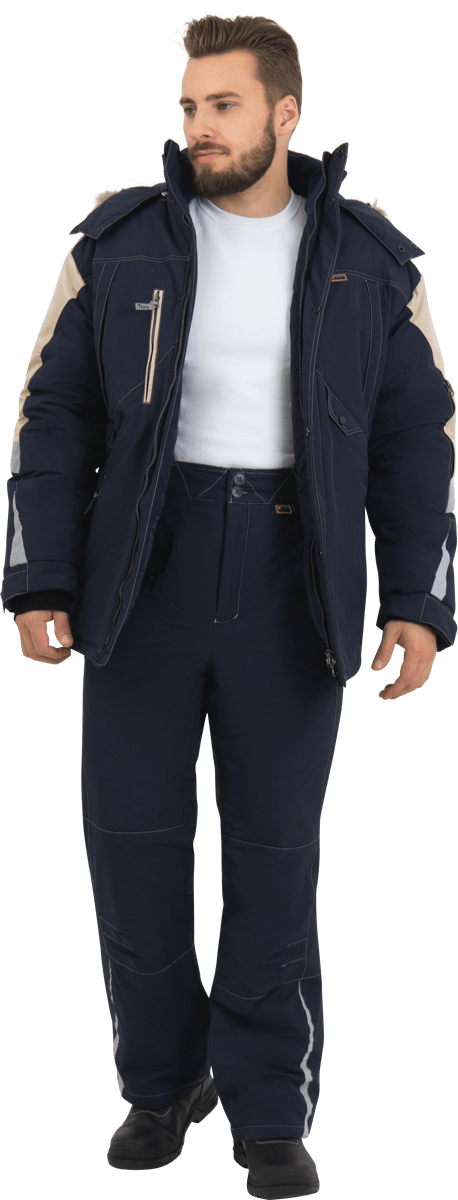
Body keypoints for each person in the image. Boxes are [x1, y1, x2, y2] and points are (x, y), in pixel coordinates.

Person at [2, 12, 456, 1198]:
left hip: (291, 580)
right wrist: (40, 573)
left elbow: (419, 438)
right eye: (190, 106)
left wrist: (416, 597)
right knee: (131, 849)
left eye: (223, 105)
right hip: (140, 576)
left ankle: (268, 1107)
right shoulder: (119, 241)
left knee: (273, 857)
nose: (198, 126)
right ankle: (160, 1082)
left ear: (283, 113)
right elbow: (53, 412)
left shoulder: (371, 258)